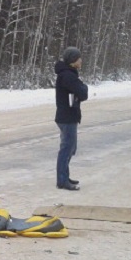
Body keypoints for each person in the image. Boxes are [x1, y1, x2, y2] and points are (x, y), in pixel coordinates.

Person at [54, 46, 88, 190]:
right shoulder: (68, 76)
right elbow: (83, 93)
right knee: (67, 148)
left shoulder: (68, 74)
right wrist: (84, 87)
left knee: (70, 148)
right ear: (73, 60)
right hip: (67, 117)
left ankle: (64, 177)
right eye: (79, 58)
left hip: (67, 116)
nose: (81, 60)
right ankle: (62, 180)